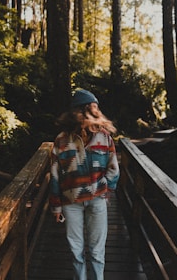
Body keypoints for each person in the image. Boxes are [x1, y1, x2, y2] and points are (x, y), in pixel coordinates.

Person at [49, 88, 120, 280]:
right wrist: (56, 208)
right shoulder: (62, 140)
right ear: (80, 111)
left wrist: (106, 190)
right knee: (76, 251)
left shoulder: (105, 137)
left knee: (97, 252)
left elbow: (114, 168)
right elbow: (55, 175)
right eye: (92, 107)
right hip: (71, 203)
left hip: (97, 200)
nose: (96, 111)